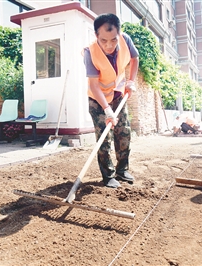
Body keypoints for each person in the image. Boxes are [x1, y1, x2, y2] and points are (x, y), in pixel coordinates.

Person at [83, 13, 139, 188]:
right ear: (96, 36)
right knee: (104, 138)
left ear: (119, 34)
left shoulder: (125, 40)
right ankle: (108, 176)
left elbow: (134, 59)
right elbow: (94, 85)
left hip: (117, 93)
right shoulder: (89, 52)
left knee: (124, 132)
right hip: (98, 99)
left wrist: (130, 81)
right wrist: (107, 110)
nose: (109, 45)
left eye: (113, 40)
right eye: (104, 40)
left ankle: (122, 170)